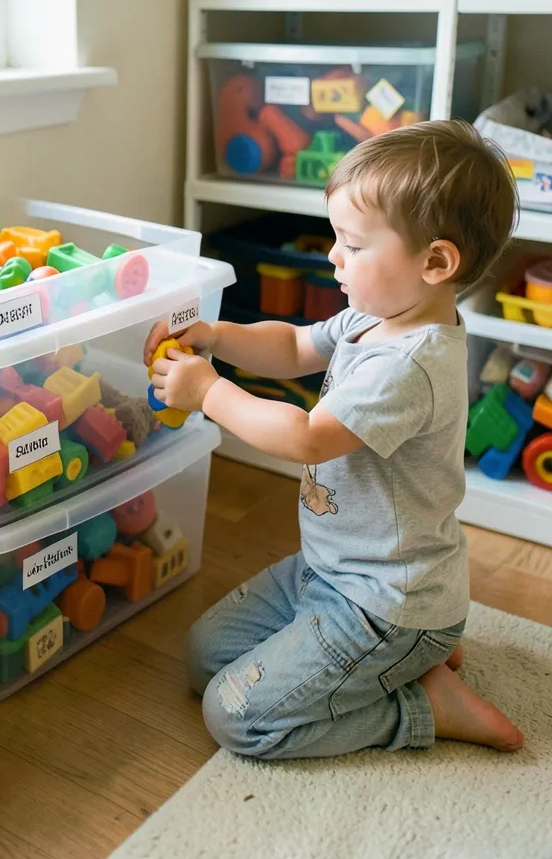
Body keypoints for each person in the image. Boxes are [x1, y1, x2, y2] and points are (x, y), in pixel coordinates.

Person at [146, 120, 524, 759]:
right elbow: (294, 344)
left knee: (235, 716)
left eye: (351, 243)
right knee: (204, 657)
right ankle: (409, 661)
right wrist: (219, 337)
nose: (332, 256)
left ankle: (421, 703)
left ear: (435, 261)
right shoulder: (377, 315)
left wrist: (210, 392)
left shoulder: (410, 365)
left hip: (387, 604)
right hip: (329, 571)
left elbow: (306, 438)